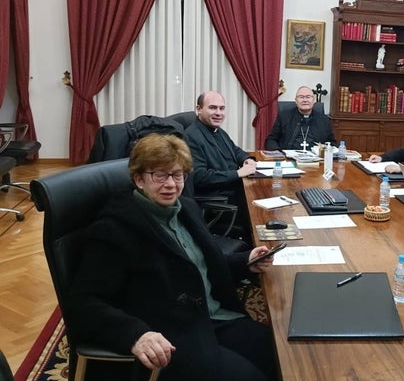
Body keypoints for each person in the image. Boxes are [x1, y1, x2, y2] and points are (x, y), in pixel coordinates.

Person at [68, 134, 276, 381]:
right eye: (160, 175)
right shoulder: (114, 230)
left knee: (280, 356)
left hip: (214, 318)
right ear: (139, 179)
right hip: (173, 334)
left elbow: (198, 264)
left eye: (177, 175)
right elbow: (83, 303)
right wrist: (136, 335)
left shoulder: (186, 209)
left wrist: (245, 261)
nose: (171, 184)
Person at [184, 91, 257, 239]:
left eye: (222, 108)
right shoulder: (192, 136)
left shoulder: (218, 131)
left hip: (233, 189)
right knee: (262, 212)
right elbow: (200, 177)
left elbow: (235, 150)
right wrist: (237, 173)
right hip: (219, 199)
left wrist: (246, 159)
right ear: (198, 109)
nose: (218, 113)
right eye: (212, 108)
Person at [264, 85, 336, 151]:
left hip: (317, 160)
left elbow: (332, 143)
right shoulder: (284, 117)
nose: (305, 100)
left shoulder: (324, 120)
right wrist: (278, 153)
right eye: (301, 97)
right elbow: (271, 140)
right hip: (288, 159)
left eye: (308, 97)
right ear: (296, 101)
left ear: (313, 100)